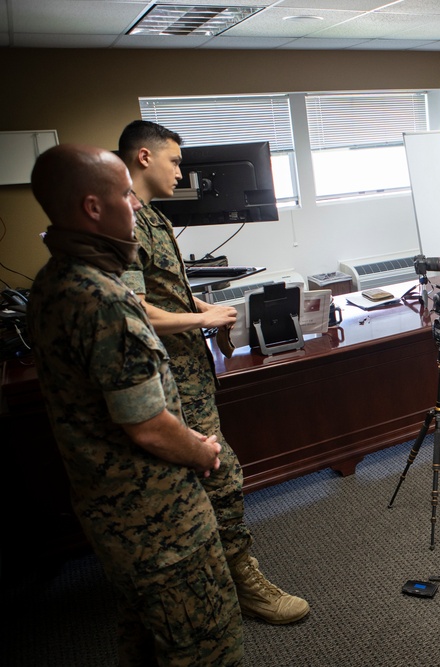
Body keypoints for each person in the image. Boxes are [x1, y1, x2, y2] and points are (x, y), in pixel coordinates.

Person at [27, 144, 244, 665]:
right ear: (93, 208)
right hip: (158, 516)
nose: (135, 204)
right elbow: (146, 426)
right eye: (124, 194)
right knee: (208, 642)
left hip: (110, 511)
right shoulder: (103, 299)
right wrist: (201, 451)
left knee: (147, 635)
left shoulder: (51, 283)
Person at [118, 120, 309, 624]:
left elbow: (168, 293)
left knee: (206, 478)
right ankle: (244, 582)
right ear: (143, 157)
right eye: (175, 161)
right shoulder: (125, 222)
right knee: (221, 475)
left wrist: (209, 308)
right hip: (166, 381)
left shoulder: (153, 218)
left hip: (190, 372)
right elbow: (138, 311)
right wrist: (201, 318)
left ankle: (216, 573)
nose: (182, 172)